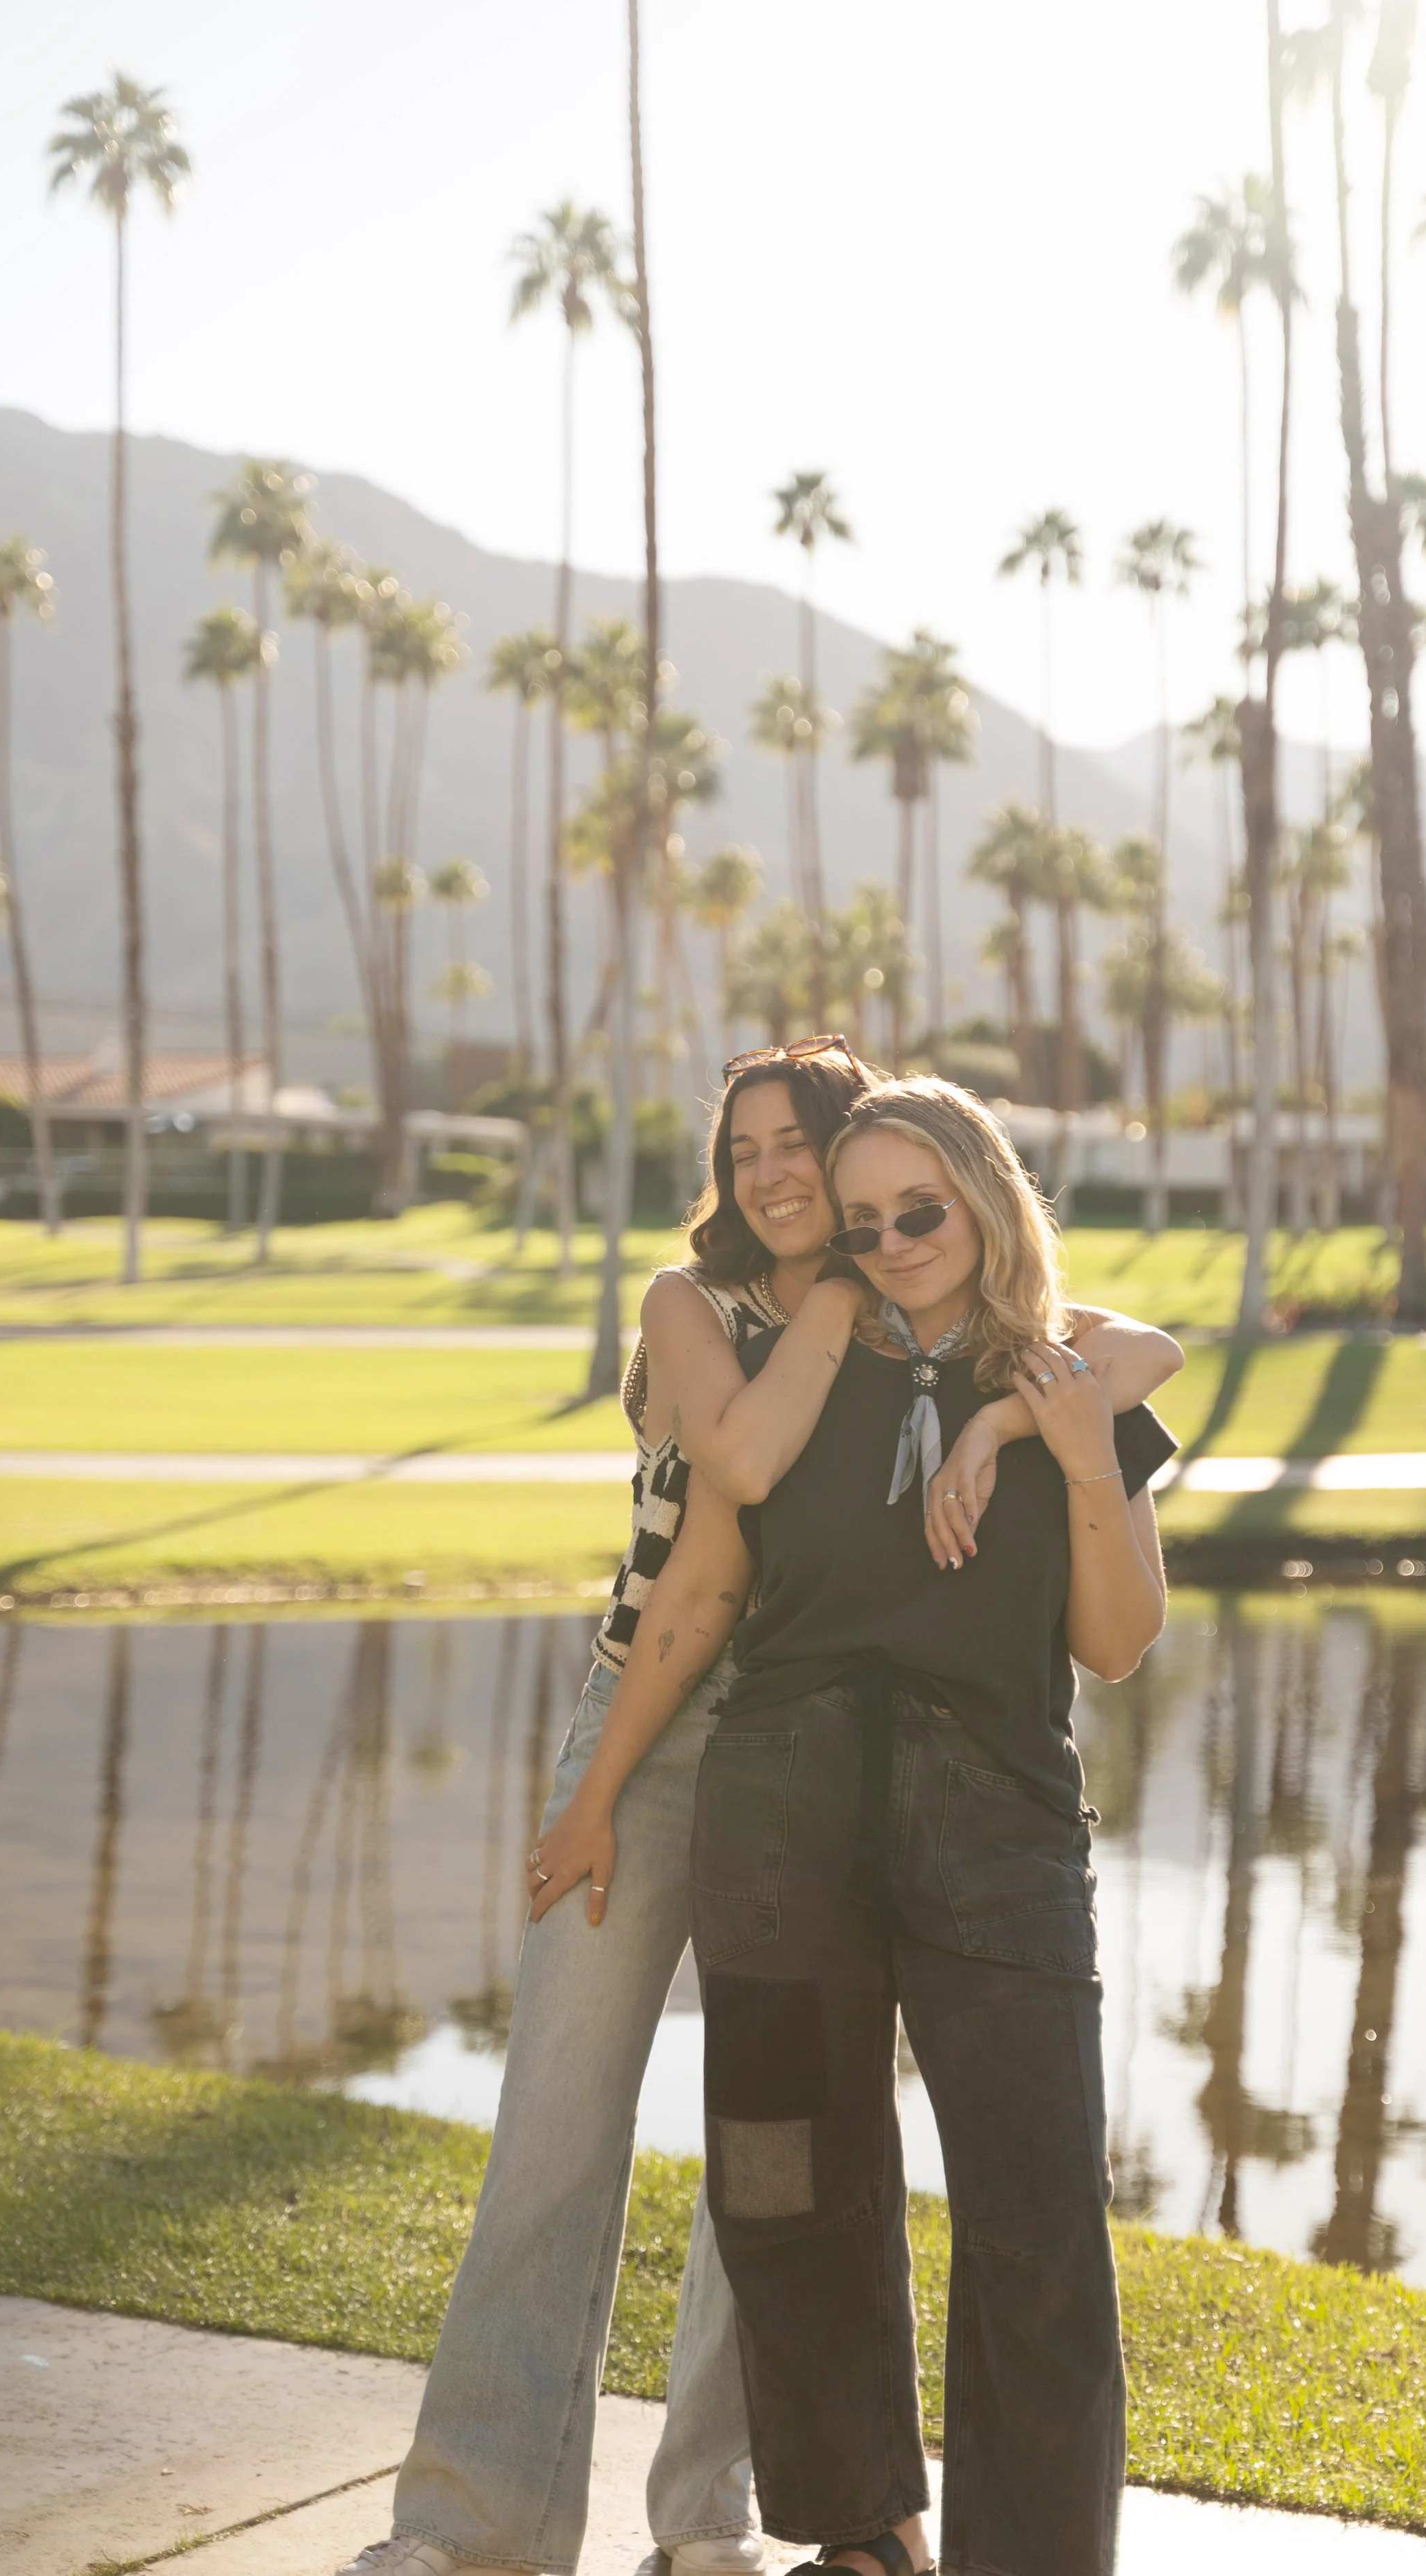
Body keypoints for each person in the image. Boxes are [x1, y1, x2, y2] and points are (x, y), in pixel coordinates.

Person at [346, 1044, 1180, 2576]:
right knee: (779, 2180)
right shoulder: (779, 1361)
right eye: (861, 1219)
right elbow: (701, 1577)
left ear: (982, 1198)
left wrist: (1043, 1438)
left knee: (1027, 2211)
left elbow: (1119, 1632)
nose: (882, 1235)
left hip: (988, 1828)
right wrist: (598, 1791)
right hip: (767, 1805)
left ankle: (920, 2544)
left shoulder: (1064, 1379)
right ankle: (818, 2535)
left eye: (914, 1208)